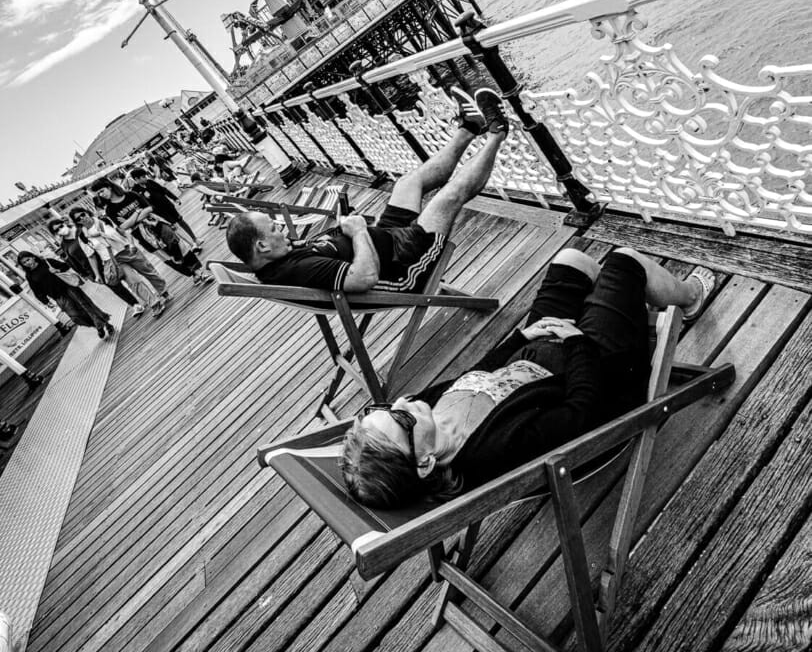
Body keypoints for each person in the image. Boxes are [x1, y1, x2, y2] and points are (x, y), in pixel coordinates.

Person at [340, 247, 716, 508]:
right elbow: (584, 409)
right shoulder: (496, 448)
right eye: (400, 418)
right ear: (423, 464)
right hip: (598, 368)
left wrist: (521, 338)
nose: (404, 401)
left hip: (539, 350)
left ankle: (624, 303)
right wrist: (578, 342)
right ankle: (687, 298)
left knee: (572, 261)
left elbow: (476, 375)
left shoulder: (426, 422)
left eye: (385, 407)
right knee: (625, 261)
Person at [226, 89, 510, 293]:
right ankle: (498, 132)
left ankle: (469, 129)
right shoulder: (292, 270)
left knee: (408, 183)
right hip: (403, 264)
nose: (281, 229)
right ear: (261, 246)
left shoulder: (279, 259)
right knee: (446, 198)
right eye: (274, 229)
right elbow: (364, 278)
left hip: (386, 238)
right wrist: (359, 231)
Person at [69, 206, 167, 318]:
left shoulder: (104, 219)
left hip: (127, 250)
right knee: (134, 282)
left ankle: (163, 291)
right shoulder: (83, 237)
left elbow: (123, 231)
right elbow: (90, 256)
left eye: (83, 214)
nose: (82, 218)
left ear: (86, 212)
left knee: (149, 271)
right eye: (78, 219)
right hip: (113, 260)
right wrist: (97, 275)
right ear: (77, 222)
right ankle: (155, 304)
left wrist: (131, 244)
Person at [47, 217, 140, 309]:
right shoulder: (64, 244)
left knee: (129, 278)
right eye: (57, 230)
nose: (60, 229)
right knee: (115, 287)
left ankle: (146, 298)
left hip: (106, 259)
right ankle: (135, 304)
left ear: (64, 223)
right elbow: (72, 261)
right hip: (92, 270)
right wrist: (84, 274)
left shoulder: (81, 230)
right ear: (55, 233)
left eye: (61, 226)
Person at [17, 250, 115, 339]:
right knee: (75, 316)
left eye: (28, 259)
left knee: (86, 306)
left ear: (33, 257)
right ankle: (99, 324)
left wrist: (57, 270)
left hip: (68, 287)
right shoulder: (29, 275)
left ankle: (104, 325)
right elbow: (36, 290)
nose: (27, 263)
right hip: (57, 296)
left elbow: (65, 266)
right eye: (24, 263)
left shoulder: (47, 262)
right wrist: (45, 301)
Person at [129, 167, 201, 250]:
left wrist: (175, 198)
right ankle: (192, 244)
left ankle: (195, 239)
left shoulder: (150, 182)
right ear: (136, 179)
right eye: (143, 177)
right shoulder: (135, 191)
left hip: (168, 205)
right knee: (174, 227)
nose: (145, 178)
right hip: (159, 213)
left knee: (181, 221)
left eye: (145, 176)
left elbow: (164, 190)